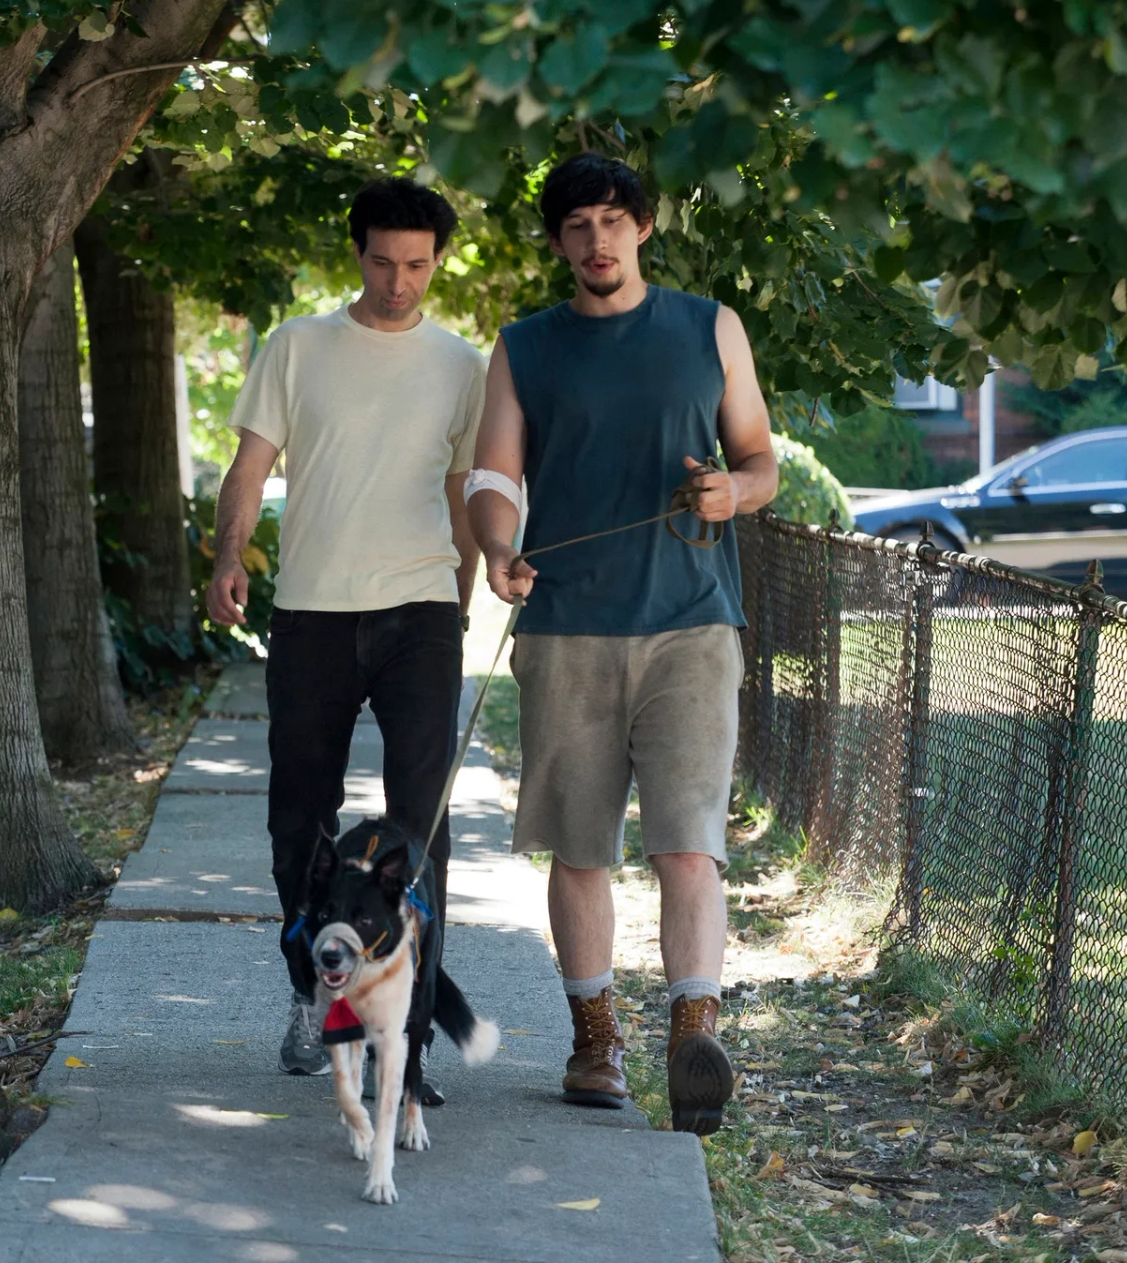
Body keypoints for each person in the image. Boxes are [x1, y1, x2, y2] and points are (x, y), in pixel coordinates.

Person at [465, 153, 776, 1133]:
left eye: (612, 219)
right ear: (557, 242)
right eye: (576, 226)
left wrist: (736, 490)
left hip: (693, 621)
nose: (596, 240)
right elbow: (493, 474)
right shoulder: (525, 346)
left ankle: (695, 1037)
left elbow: (757, 456)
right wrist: (496, 544)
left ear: (642, 226)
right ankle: (595, 1039)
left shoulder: (709, 326)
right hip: (566, 627)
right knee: (583, 849)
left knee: (689, 844)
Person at [206, 178, 487, 1096]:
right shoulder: (298, 347)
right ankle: (310, 1002)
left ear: (436, 261)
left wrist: (464, 591)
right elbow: (252, 464)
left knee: (422, 829)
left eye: (416, 265)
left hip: (420, 616)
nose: (398, 281)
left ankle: (408, 1042)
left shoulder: (461, 365)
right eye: (381, 261)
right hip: (313, 612)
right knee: (301, 821)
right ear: (355, 254)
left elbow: (461, 489)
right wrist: (227, 557)